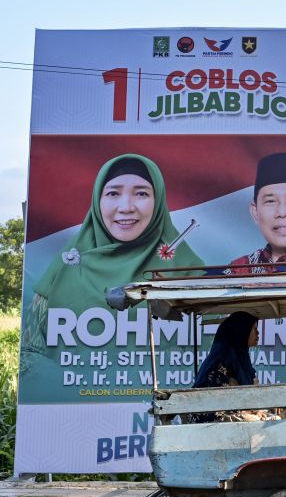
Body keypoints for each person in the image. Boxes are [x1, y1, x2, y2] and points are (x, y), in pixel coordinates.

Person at [22, 153, 203, 358]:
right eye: (113, 194)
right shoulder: (64, 269)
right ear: (98, 200)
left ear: (158, 200)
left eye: (141, 194)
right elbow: (32, 356)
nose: (126, 207)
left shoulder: (189, 269)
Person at [191, 311, 273, 422]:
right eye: (253, 329)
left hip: (234, 413)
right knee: (257, 421)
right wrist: (248, 412)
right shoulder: (222, 356)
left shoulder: (241, 357)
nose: (258, 333)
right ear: (242, 330)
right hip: (211, 419)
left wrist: (257, 410)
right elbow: (217, 399)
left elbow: (250, 392)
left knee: (272, 419)